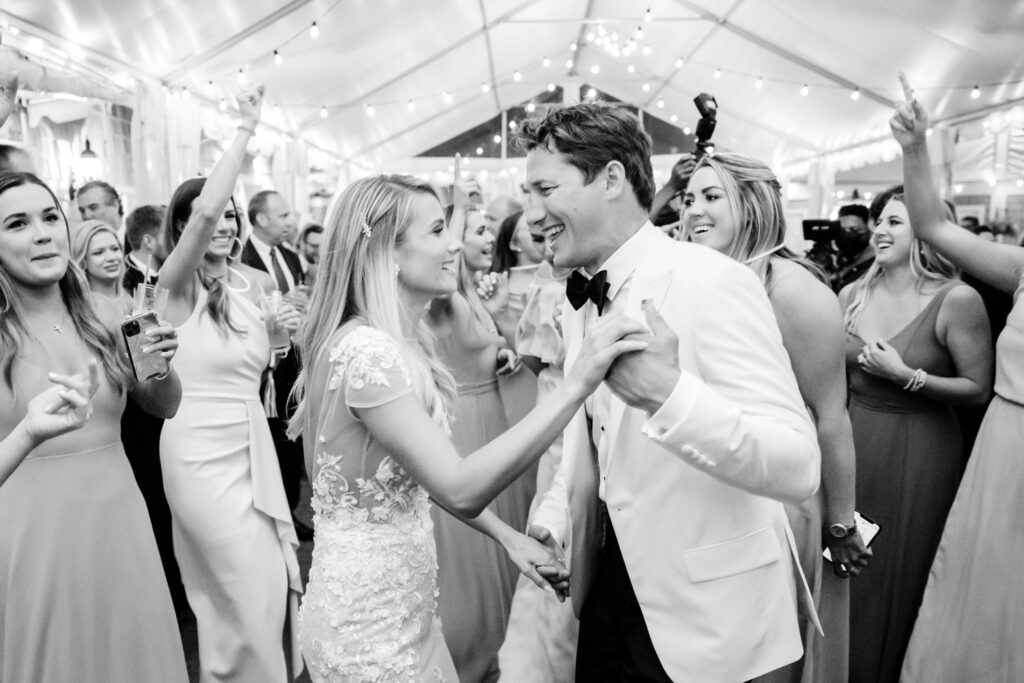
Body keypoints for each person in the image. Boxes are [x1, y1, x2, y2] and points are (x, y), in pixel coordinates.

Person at [287, 172, 644, 682]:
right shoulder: (366, 352)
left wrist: (508, 538)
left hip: (403, 609)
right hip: (370, 627)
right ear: (387, 252)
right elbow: (458, 487)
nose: (454, 243)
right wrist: (573, 385)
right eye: (436, 230)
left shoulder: (391, 344)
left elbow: (418, 475)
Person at [522, 102, 820, 682]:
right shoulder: (576, 293)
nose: (532, 215)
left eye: (544, 189)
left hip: (705, 613)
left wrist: (669, 395)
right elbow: (597, 432)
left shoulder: (711, 281)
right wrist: (554, 520)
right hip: (607, 589)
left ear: (610, 178)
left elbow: (799, 464)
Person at [681, 151, 871, 682]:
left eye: (712, 196)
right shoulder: (697, 275)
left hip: (778, 502)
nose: (694, 210)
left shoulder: (795, 292)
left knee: (764, 654)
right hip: (706, 490)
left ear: (753, 203)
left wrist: (842, 523)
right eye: (690, 198)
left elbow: (832, 418)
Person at [0, 171, 186, 682]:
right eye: (17, 223)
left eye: (49, 217)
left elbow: (163, 405)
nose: (41, 233)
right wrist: (28, 434)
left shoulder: (107, 315)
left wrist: (161, 365)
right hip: (31, 540)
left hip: (120, 523)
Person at [157, 86, 304, 682]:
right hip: (196, 449)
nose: (223, 224)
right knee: (239, 587)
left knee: (269, 586)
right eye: (212, 217)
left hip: (252, 443)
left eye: (230, 217)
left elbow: (264, 370)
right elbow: (205, 213)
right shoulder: (173, 286)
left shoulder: (251, 286)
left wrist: (277, 342)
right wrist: (244, 134)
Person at [891, 74, 1024, 681]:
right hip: (1005, 446)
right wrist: (916, 147)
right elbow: (935, 229)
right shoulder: (1021, 268)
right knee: (983, 589)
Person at [839, 181, 993, 682]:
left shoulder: (956, 300)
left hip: (921, 451)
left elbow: (979, 389)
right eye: (879, 220)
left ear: (925, 233)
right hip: (853, 439)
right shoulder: (850, 295)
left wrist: (908, 375)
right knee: (843, 565)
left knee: (898, 572)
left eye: (894, 221)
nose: (879, 230)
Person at [425, 202, 539, 682]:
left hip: (497, 417)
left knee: (504, 552)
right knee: (468, 558)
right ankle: (468, 659)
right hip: (462, 426)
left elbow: (505, 347)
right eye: (475, 229)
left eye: (490, 228)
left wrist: (502, 345)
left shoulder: (477, 290)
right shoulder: (441, 292)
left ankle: (499, 656)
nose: (486, 236)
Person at [497, 220, 579, 682]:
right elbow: (532, 357)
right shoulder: (546, 283)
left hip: (584, 411)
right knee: (552, 530)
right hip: (554, 413)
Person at [243, 188, 312, 541]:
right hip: (259, 367)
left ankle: (291, 508)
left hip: (291, 359)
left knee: (290, 440)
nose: (291, 220)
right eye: (283, 215)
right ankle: (274, 512)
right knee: (268, 441)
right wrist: (280, 303)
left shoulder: (291, 255)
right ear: (260, 219)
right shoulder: (241, 258)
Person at [70, 219, 127, 307]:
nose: (111, 258)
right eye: (99, 252)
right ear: (82, 260)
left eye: (115, 249)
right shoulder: (79, 308)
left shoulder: (134, 302)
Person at [123, 204, 166, 291]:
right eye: (168, 235)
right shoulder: (121, 280)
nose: (174, 241)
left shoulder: (172, 271)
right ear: (148, 241)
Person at [834, 203, 874, 292]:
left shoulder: (875, 263)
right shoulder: (837, 259)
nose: (847, 235)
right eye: (842, 230)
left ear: (868, 228)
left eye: (853, 230)